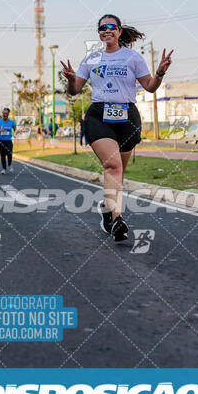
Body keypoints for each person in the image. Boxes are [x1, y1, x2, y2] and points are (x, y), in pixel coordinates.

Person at [61, 14, 173, 241]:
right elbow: (74, 91)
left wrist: (160, 72)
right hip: (99, 115)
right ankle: (118, 218)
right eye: (102, 28)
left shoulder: (133, 58)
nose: (106, 30)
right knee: (112, 165)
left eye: (111, 27)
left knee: (119, 171)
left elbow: (150, 87)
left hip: (127, 117)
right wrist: (71, 79)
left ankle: (106, 206)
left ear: (120, 31)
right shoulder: (91, 59)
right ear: (99, 33)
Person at [0, 108, 16, 174]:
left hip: (8, 140)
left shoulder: (11, 122)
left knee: (9, 153)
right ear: (2, 114)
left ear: (8, 114)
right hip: (0, 141)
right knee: (2, 155)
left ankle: (9, 165)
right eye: (4, 113)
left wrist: (18, 132)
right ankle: (4, 169)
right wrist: (0, 130)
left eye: (6, 113)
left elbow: (16, 130)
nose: (5, 115)